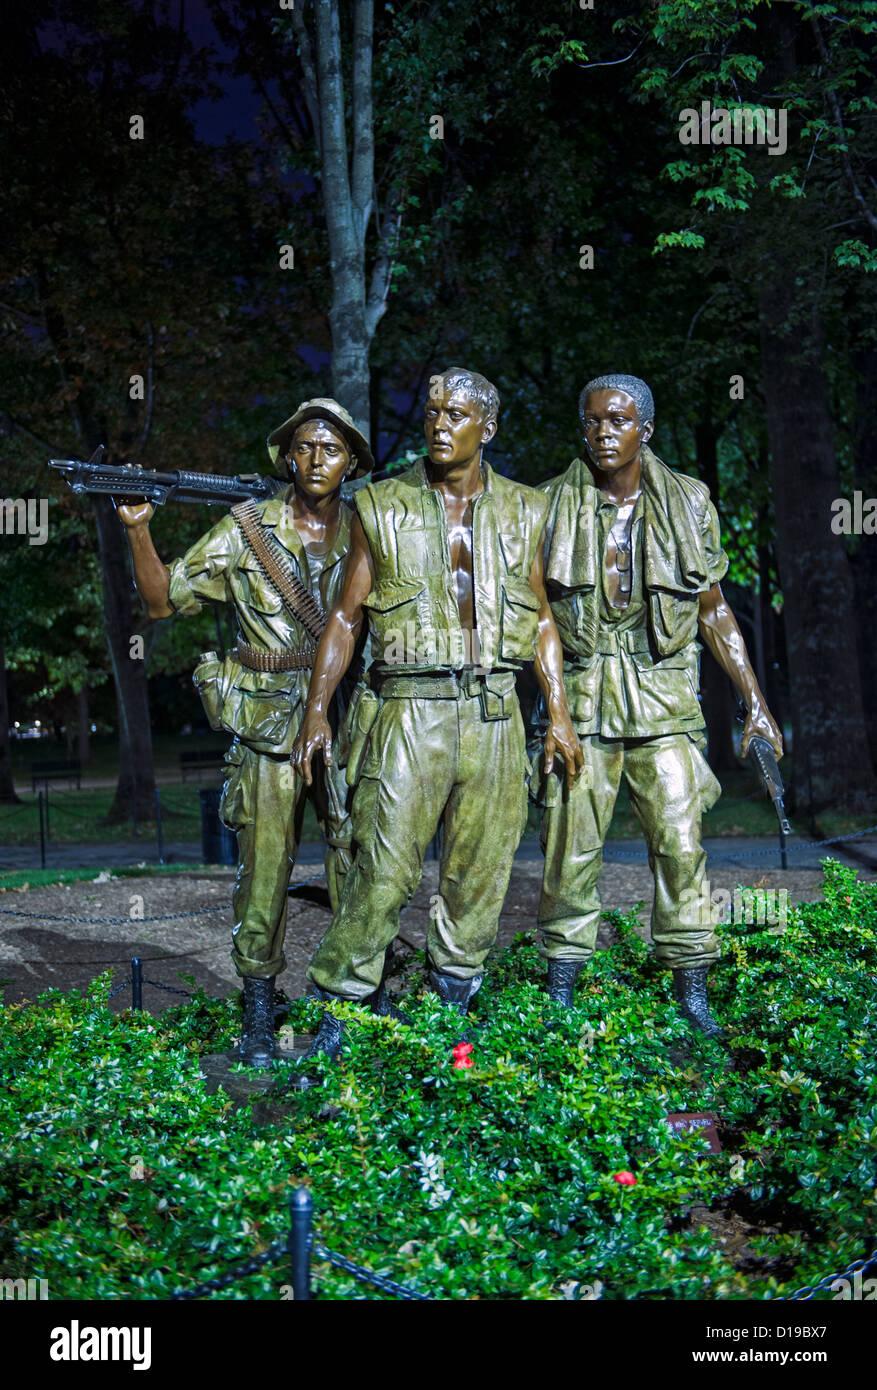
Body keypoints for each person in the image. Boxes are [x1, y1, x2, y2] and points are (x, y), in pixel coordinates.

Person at [293, 367, 582, 1059]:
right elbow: (344, 617)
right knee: (382, 871)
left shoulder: (527, 508)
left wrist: (559, 712)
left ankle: (452, 1016)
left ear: (489, 427)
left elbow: (543, 619)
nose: (439, 424)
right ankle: (338, 1021)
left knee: (479, 873)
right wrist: (316, 712)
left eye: (456, 413)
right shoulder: (380, 503)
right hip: (408, 709)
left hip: (494, 711)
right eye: (431, 411)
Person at [115, 399, 372, 1066]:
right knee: (263, 873)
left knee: (356, 859)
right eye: (304, 447)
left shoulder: (371, 526)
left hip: (348, 718)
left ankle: (345, 1006)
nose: (316, 460)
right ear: (286, 457)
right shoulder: (246, 528)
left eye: (332, 449)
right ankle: (259, 1011)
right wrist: (139, 530)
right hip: (266, 725)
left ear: (352, 462)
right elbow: (161, 601)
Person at [535, 373, 783, 1037]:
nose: (602, 433)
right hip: (583, 700)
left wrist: (754, 701)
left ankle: (691, 991)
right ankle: (559, 998)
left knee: (680, 845)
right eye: (592, 421)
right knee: (569, 850)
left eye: (617, 421)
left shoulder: (689, 501)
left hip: (663, 699)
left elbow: (713, 610)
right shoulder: (547, 504)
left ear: (644, 429)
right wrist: (553, 712)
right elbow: (535, 617)